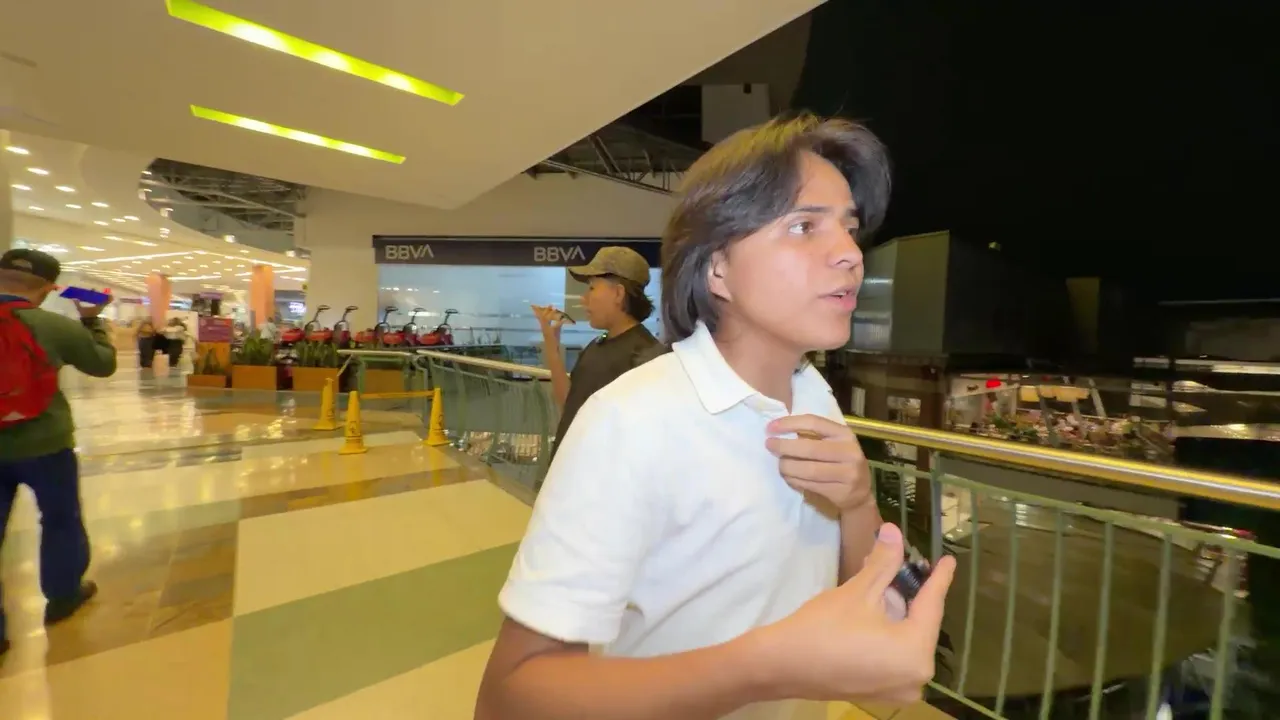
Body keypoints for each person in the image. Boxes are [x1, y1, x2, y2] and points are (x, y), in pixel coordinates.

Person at [476, 115, 956, 720]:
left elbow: (852, 586)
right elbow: (510, 698)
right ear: (717, 269)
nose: (850, 255)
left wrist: (858, 502)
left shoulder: (814, 396)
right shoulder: (631, 421)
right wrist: (767, 666)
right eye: (804, 226)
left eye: (850, 228)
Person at [0, 249, 115, 658]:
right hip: (46, 443)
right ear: (49, 289)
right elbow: (102, 364)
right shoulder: (53, 326)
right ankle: (63, 595)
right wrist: (92, 321)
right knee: (60, 519)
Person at [531, 246, 661, 456]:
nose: (583, 299)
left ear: (618, 294)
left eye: (592, 288)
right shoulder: (597, 345)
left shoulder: (646, 358)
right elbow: (569, 403)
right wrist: (552, 348)